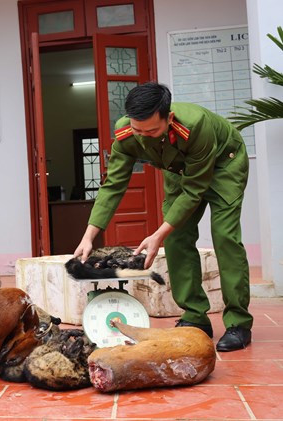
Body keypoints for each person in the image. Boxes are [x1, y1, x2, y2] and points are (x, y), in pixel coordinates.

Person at [73, 82, 252, 352]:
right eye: (137, 129)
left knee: (224, 236)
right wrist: (89, 235)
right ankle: (195, 317)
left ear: (168, 118)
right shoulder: (126, 133)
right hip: (179, 169)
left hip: (223, 164)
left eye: (152, 130)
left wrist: (157, 234)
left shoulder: (196, 126)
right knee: (177, 238)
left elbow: (194, 191)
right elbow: (113, 185)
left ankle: (238, 322)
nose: (143, 136)